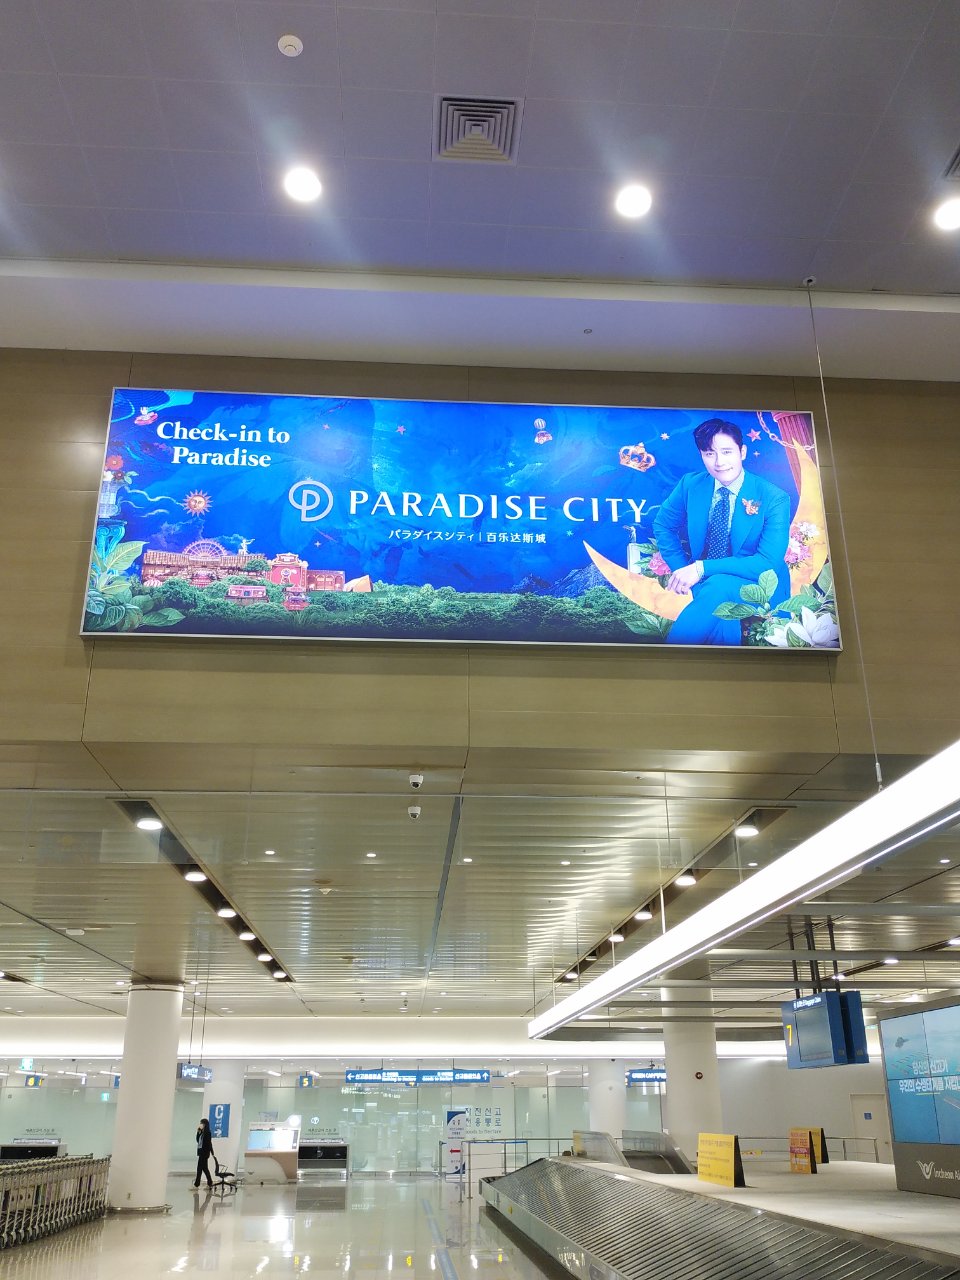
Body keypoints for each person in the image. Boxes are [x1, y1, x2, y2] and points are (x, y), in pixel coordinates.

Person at [653, 418, 791, 646]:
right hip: (707, 584)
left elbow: (767, 563)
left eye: (727, 452)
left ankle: (669, 656)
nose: (719, 462)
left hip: (759, 585)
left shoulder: (774, 498)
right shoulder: (690, 485)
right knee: (718, 611)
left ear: (742, 452)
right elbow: (663, 525)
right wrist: (682, 571)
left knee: (718, 587)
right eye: (709, 454)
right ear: (701, 455)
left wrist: (700, 568)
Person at [194, 1117, 214, 1189]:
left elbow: (208, 1144)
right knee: (204, 1168)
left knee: (200, 1169)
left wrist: (210, 1153)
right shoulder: (202, 1132)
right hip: (201, 1153)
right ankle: (209, 1183)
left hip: (204, 1154)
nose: (201, 1124)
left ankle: (197, 1184)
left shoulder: (208, 1133)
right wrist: (198, 1132)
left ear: (205, 1124)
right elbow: (198, 1140)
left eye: (202, 1123)